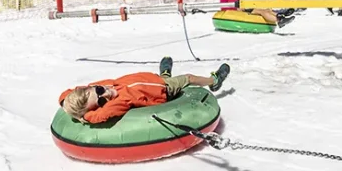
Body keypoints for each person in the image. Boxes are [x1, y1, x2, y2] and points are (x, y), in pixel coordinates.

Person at [59, 57, 230, 124]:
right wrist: (84, 117)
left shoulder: (106, 85)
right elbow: (101, 115)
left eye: (99, 90)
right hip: (164, 90)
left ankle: (164, 74)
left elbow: (70, 91)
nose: (105, 94)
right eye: (101, 100)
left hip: (152, 80)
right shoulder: (119, 102)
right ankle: (213, 81)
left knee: (162, 78)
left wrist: (64, 101)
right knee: (188, 78)